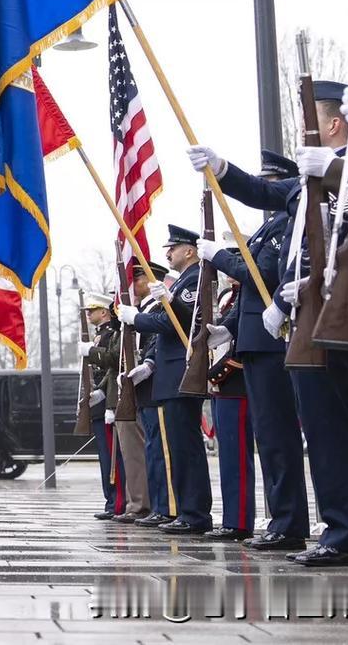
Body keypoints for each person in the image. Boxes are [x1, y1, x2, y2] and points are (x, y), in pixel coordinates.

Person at [199, 81, 348, 567]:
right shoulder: (307, 180)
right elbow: (263, 192)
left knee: (329, 427)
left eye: (310, 120)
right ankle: (343, 529)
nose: (302, 131)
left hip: (334, 311)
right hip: (307, 314)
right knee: (320, 429)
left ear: (334, 124)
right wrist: (221, 169)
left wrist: (304, 287)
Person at [190, 149, 306, 550]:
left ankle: (289, 523)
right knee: (270, 439)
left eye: (268, 183)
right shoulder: (266, 229)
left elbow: (266, 276)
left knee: (278, 436)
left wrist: (221, 258)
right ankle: (282, 520)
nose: (263, 189)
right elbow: (248, 299)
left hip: (274, 342)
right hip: (256, 342)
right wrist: (229, 330)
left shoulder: (286, 224)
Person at [117, 225, 212, 535]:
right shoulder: (185, 279)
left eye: (173, 248)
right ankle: (186, 510)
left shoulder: (194, 277)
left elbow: (178, 323)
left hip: (180, 371)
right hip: (170, 374)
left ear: (190, 250)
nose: (168, 253)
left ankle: (194, 512)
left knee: (185, 447)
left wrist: (139, 318)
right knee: (178, 447)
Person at [121, 262, 172, 527]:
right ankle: (158, 506)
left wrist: (148, 363)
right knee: (152, 449)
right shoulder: (144, 309)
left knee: (161, 449)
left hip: (157, 384)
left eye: (137, 277)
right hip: (144, 388)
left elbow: (158, 338)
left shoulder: (159, 305)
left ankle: (166, 506)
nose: (133, 284)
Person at [207, 276, 255, 541]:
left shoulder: (245, 296)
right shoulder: (229, 298)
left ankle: (239, 521)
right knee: (227, 457)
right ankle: (231, 518)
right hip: (222, 386)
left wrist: (220, 371)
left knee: (237, 457)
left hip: (236, 382)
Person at [78, 293, 133, 520]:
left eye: (93, 310)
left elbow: (113, 359)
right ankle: (111, 500)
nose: (88, 314)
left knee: (112, 454)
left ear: (104, 312)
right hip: (100, 396)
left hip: (109, 397)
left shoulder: (112, 333)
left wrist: (91, 352)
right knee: (105, 453)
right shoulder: (101, 335)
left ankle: (117, 502)